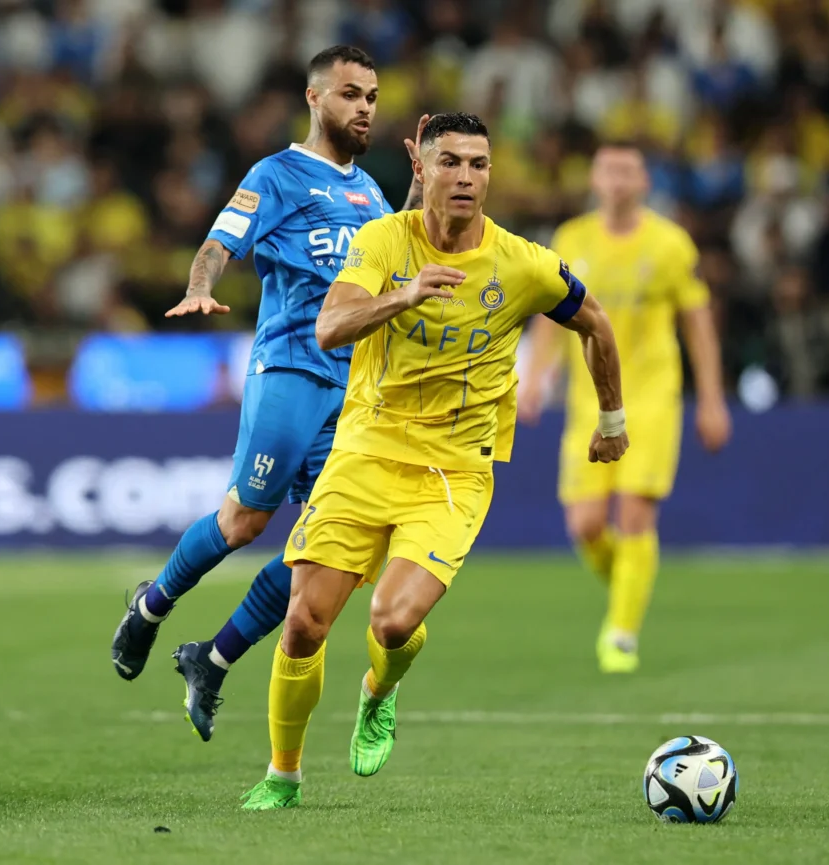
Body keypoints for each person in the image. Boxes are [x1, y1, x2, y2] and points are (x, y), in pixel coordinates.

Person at [238, 112, 628, 810]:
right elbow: (329, 326)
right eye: (450, 162)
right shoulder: (383, 240)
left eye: (478, 165)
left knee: (390, 620)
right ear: (421, 166)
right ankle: (282, 775)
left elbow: (594, 321)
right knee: (303, 621)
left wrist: (611, 416)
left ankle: (378, 691)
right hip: (365, 451)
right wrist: (404, 295)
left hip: (453, 469)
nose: (466, 178)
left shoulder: (523, 264)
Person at [110, 46, 428, 742]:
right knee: (244, 523)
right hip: (290, 369)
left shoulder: (372, 192)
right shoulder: (277, 174)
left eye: (373, 95)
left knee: (328, 555)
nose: (365, 106)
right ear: (316, 99)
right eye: (351, 93)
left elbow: (393, 254)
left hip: (350, 393)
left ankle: (212, 658)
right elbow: (220, 242)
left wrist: (420, 191)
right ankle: (151, 606)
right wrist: (200, 288)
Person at [518, 142, 731, 674]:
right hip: (588, 397)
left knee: (635, 509)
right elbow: (550, 312)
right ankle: (630, 590)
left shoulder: (669, 243)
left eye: (628, 171)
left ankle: (621, 633)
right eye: (609, 170)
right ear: (593, 178)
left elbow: (698, 322)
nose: (617, 180)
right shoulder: (572, 238)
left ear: (644, 182)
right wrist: (535, 375)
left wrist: (711, 399)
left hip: (653, 394)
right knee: (586, 525)